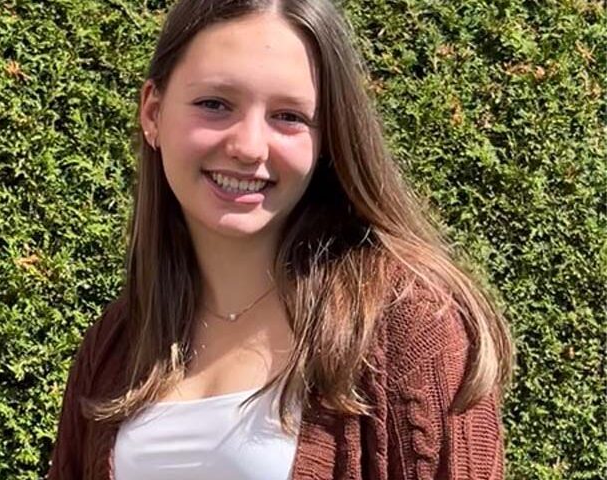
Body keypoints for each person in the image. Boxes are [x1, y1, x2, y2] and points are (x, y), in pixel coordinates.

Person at [48, 0, 513, 478]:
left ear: (327, 137)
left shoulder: (408, 322)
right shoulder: (118, 340)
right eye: (214, 104)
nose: (249, 147)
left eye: (289, 116)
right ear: (153, 112)